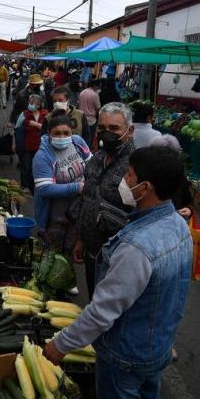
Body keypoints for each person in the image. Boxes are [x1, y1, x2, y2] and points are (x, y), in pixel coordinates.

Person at [44, 146, 193, 399]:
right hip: (158, 343)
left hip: (125, 354)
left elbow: (102, 312)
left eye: (129, 175)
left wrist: (60, 345)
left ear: (145, 188)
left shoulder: (136, 247)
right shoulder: (178, 224)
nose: (124, 179)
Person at [72, 102, 135, 296]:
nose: (106, 133)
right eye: (102, 128)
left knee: (111, 312)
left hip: (119, 260)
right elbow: (87, 199)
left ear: (130, 131)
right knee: (94, 300)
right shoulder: (96, 159)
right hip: (93, 253)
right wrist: (81, 239)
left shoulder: (137, 165)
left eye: (114, 128)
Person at [33, 113, 91, 253]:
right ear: (49, 133)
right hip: (55, 217)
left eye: (66, 133)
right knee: (52, 258)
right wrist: (77, 187)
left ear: (72, 133)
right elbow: (45, 189)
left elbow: (91, 164)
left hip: (77, 212)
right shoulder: (42, 156)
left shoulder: (77, 142)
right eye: (57, 133)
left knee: (70, 253)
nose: (62, 137)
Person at [17, 94, 48, 192]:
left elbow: (48, 127)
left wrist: (36, 124)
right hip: (27, 145)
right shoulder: (24, 114)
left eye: (32, 103)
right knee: (26, 166)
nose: (30, 104)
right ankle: (25, 186)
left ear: (39, 104)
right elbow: (17, 129)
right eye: (30, 102)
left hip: (40, 146)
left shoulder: (45, 114)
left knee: (37, 166)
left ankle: (34, 185)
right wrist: (15, 144)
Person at [78, 80, 101, 148]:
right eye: (98, 86)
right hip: (91, 121)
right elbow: (98, 109)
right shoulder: (94, 95)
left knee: (82, 138)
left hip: (81, 119)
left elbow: (78, 104)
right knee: (89, 139)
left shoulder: (82, 92)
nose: (99, 88)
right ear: (95, 86)